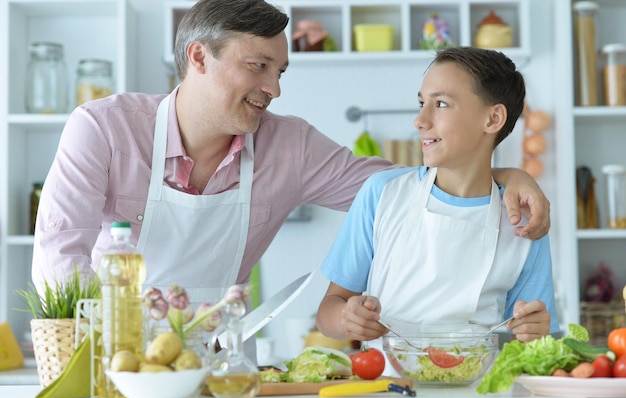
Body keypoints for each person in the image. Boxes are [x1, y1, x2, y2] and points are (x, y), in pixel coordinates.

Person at [32, 1, 548, 336]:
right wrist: (116, 353)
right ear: (198, 57)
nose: (274, 89)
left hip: (220, 363)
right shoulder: (102, 129)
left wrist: (505, 175)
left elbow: (410, 187)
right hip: (111, 356)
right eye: (258, 66)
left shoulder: (288, 144)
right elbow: (59, 263)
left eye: (280, 71)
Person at [315, 47, 559, 365]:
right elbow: (328, 311)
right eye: (421, 103)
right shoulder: (382, 194)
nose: (420, 120)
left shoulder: (523, 222)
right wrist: (347, 318)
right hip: (385, 394)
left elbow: (538, 345)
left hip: (480, 396)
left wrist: (535, 334)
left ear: (493, 118)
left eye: (441, 104)